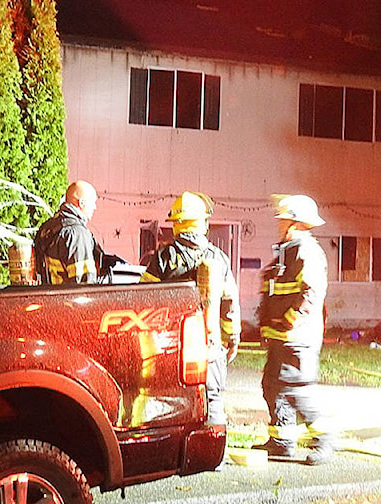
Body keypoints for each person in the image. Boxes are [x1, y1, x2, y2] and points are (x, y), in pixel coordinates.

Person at [140, 191, 241, 428]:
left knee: (169, 402)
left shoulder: (163, 258)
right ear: (202, 224)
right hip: (209, 346)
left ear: (177, 225)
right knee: (213, 401)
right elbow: (229, 305)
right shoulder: (219, 259)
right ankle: (215, 456)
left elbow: (145, 300)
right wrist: (232, 338)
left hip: (171, 347)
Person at [252, 194, 334, 465]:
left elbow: (310, 294)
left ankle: (323, 440)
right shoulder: (287, 252)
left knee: (297, 389)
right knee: (272, 385)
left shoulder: (306, 252)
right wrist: (266, 323)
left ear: (295, 222)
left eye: (283, 219)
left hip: (297, 336)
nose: (279, 224)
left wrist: (288, 321)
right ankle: (282, 442)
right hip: (280, 336)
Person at [33, 180, 118, 284]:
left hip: (48, 297)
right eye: (93, 202)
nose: (94, 207)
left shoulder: (47, 229)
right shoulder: (77, 234)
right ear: (82, 203)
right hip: (67, 299)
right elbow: (84, 284)